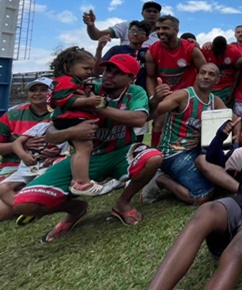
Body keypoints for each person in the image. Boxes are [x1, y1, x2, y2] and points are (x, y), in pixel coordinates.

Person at [13, 54, 163, 242]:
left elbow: (139, 119)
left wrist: (98, 107)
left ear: (131, 78)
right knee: (23, 204)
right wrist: (73, 131)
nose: (109, 75)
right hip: (82, 160)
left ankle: (122, 202)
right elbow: (51, 132)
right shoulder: (85, 89)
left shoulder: (135, 92)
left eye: (118, 73)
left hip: (120, 152)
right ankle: (76, 209)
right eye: (108, 70)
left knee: (153, 158)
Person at [148, 114, 242, 290]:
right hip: (240, 201)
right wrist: (220, 136)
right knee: (206, 211)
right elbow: (214, 159)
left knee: (239, 247)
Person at [142, 63, 226, 205]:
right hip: (172, 154)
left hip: (195, 151)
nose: (206, 76)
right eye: (202, 72)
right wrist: (155, 100)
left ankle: (178, 176)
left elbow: (232, 119)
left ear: (217, 80)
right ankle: (161, 179)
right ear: (197, 75)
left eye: (211, 74)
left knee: (219, 181)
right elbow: (148, 116)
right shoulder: (183, 96)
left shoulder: (215, 101)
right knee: (202, 195)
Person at [145, 15, 207, 148]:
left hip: (187, 96)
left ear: (176, 30)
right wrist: (153, 97)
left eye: (165, 28)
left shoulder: (191, 50)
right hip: (166, 96)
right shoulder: (152, 51)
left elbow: (205, 73)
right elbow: (150, 77)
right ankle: (155, 156)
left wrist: (200, 96)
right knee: (158, 125)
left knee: (194, 128)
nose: (160, 31)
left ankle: (195, 154)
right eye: (158, 28)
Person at [49, 47, 104, 196]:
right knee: (84, 149)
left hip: (70, 119)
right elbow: (62, 99)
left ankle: (76, 180)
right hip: (71, 119)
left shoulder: (74, 81)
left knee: (78, 150)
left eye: (91, 69)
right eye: (85, 68)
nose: (89, 72)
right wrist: (87, 101)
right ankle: (83, 183)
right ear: (67, 67)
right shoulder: (66, 80)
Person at [0, 77, 54, 219]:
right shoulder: (12, 115)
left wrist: (54, 153)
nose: (37, 93)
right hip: (13, 164)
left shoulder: (59, 114)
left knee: (3, 210)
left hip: (47, 164)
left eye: (44, 90)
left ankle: (30, 207)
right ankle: (30, 207)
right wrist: (20, 146)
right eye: (33, 90)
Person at [95, 20, 152, 142]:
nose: (135, 34)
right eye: (132, 31)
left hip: (137, 98)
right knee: (108, 129)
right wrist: (99, 49)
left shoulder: (148, 53)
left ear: (146, 37)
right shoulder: (116, 50)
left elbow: (152, 75)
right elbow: (97, 71)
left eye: (140, 32)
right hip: (112, 95)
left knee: (135, 136)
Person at [83, 1, 160, 47]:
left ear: (159, 14)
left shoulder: (163, 34)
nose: (152, 14)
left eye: (155, 12)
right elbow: (96, 36)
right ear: (142, 13)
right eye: (148, 11)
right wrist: (91, 26)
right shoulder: (127, 26)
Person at [202, 36, 242, 107]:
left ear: (225, 48)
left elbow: (238, 70)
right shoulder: (206, 50)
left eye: (219, 52)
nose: (216, 53)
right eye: (214, 50)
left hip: (227, 88)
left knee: (226, 113)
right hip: (209, 88)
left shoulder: (234, 51)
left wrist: (232, 91)